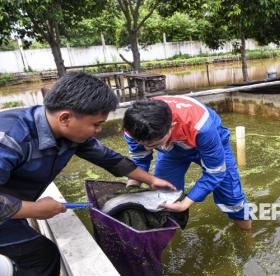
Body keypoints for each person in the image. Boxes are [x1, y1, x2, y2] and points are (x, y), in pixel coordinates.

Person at [0, 72, 175, 276]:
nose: (99, 130)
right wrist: (35, 210)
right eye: (96, 124)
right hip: (8, 209)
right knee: (42, 256)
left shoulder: (72, 134)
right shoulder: (9, 138)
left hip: (11, 208)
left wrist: (152, 180)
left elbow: (110, 159)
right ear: (65, 117)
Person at [123, 96, 252, 230]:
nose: (148, 149)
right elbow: (139, 158)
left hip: (210, 144)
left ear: (171, 127)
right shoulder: (133, 126)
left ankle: (248, 237)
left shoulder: (202, 127)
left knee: (232, 199)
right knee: (164, 196)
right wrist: (132, 188)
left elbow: (215, 172)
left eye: (154, 145)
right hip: (171, 151)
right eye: (143, 144)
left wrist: (185, 203)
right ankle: (169, 235)